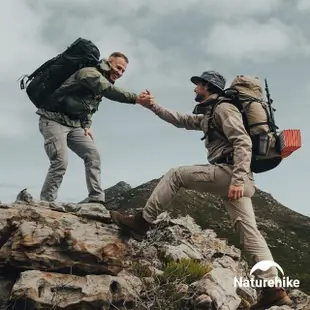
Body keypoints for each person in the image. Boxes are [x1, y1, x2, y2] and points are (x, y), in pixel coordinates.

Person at [110, 71, 293, 309]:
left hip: (231, 174)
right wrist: (153, 106)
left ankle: (142, 223)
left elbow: (242, 141)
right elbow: (181, 120)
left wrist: (236, 180)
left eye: (197, 85)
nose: (195, 89)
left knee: (175, 174)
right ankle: (273, 290)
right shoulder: (210, 114)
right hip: (240, 178)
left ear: (208, 86)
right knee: (251, 234)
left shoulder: (223, 109)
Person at [37, 52, 153, 204]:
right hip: (52, 120)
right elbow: (108, 91)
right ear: (107, 63)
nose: (120, 73)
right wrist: (137, 98)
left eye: (123, 71)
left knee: (93, 155)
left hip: (74, 125)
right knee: (60, 161)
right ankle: (46, 202)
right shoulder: (89, 73)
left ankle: (96, 201)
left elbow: (89, 107)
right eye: (118, 67)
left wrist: (86, 126)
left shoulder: (102, 80)